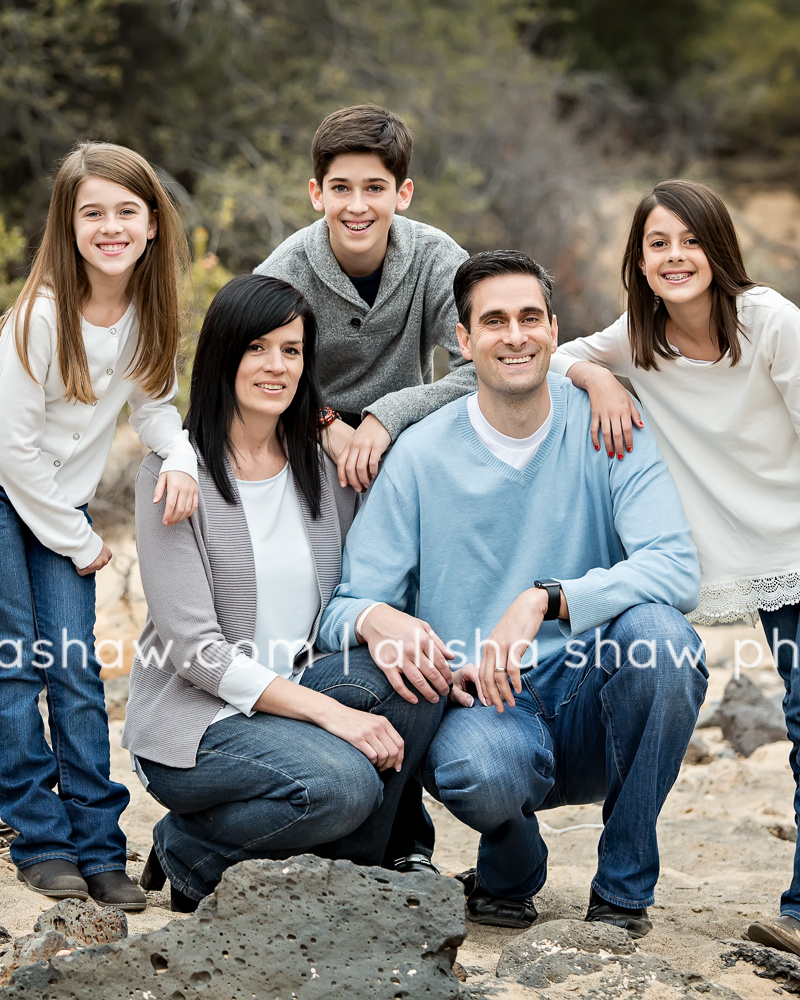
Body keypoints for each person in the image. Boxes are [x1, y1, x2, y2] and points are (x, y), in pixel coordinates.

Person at [318, 249, 707, 937]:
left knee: (664, 643)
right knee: (479, 774)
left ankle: (621, 890)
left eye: (530, 318)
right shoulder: (421, 455)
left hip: (597, 696)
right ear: (464, 342)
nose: (516, 335)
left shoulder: (607, 426)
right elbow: (347, 605)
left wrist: (545, 599)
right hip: (487, 705)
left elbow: (676, 569)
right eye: (494, 321)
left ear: (555, 331)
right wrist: (384, 621)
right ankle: (511, 863)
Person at [122, 274, 444, 911]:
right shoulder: (174, 471)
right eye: (258, 348)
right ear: (223, 355)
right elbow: (195, 652)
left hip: (294, 698)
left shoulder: (325, 468)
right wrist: (334, 714)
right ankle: (190, 854)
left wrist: (385, 626)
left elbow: (353, 594)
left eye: (292, 351)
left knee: (418, 676)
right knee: (344, 784)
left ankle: (354, 873)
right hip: (199, 722)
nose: (276, 366)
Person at [547, 178, 800, 952]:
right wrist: (598, 378)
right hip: (720, 551)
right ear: (639, 259)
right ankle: (625, 887)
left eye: (690, 240)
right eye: (658, 243)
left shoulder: (770, 323)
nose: (675, 256)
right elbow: (556, 357)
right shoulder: (640, 334)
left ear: (719, 249)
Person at [255, 102, 475, 873]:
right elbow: (246, 365)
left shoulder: (437, 256)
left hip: (403, 466)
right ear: (315, 193)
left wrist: (386, 414)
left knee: (406, 643)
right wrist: (325, 424)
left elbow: (479, 366)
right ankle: (306, 809)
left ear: (402, 194)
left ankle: (404, 843)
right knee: (322, 631)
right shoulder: (286, 267)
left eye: (374, 188)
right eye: (340, 188)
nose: (357, 206)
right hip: (304, 461)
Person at [0, 141, 199, 911]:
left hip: (57, 509)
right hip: (12, 500)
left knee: (77, 673)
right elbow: (12, 450)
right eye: (93, 212)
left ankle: (99, 844)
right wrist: (82, 542)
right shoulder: (41, 317)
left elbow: (152, 404)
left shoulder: (149, 309)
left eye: (126, 210)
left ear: (152, 223)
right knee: (17, 669)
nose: (110, 226)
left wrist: (179, 456)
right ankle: (41, 839)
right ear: (68, 224)